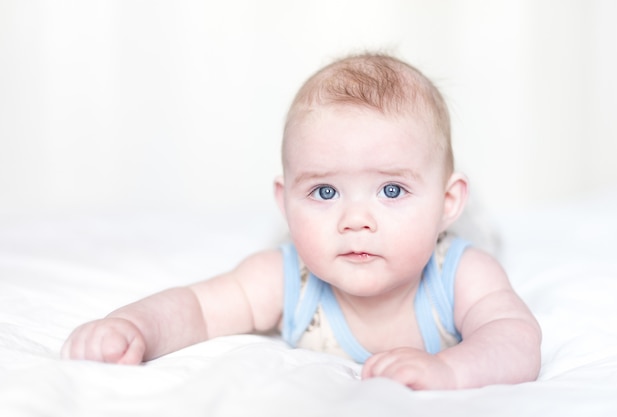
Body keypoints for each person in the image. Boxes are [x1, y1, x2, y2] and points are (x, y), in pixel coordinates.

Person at [62, 53, 542, 390]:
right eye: (324, 192)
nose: (355, 220)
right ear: (284, 200)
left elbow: (515, 339)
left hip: (455, 239)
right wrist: (133, 327)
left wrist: (451, 373)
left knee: (486, 239)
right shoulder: (290, 278)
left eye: (391, 190)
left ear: (446, 201)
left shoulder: (460, 273)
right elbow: (199, 308)